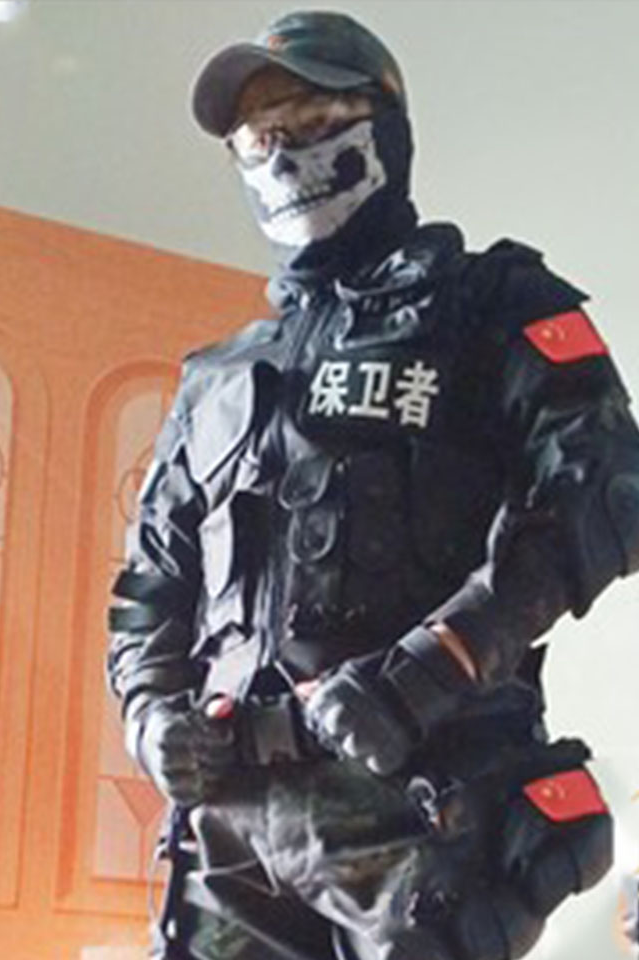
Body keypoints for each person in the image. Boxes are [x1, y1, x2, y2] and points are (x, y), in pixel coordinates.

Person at [106, 11, 639, 960]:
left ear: (383, 125)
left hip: (421, 804)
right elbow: (152, 583)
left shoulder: (492, 305)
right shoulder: (220, 377)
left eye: (315, 121)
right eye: (261, 137)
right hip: (231, 831)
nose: (285, 155)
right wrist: (152, 719)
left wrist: (433, 667)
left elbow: (602, 493)